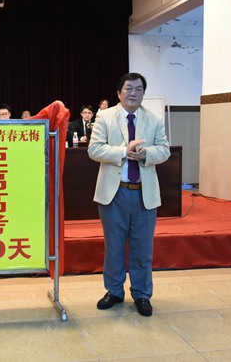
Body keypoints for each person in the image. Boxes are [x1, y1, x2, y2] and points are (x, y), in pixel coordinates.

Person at [88, 72, 170, 317]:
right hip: (114, 194)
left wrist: (146, 154)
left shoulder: (153, 119)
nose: (134, 93)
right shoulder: (105, 117)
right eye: (129, 88)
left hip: (144, 194)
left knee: (142, 249)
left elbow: (164, 150)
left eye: (139, 89)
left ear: (143, 94)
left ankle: (142, 294)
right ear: (118, 92)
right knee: (114, 246)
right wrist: (124, 152)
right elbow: (94, 149)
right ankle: (114, 291)